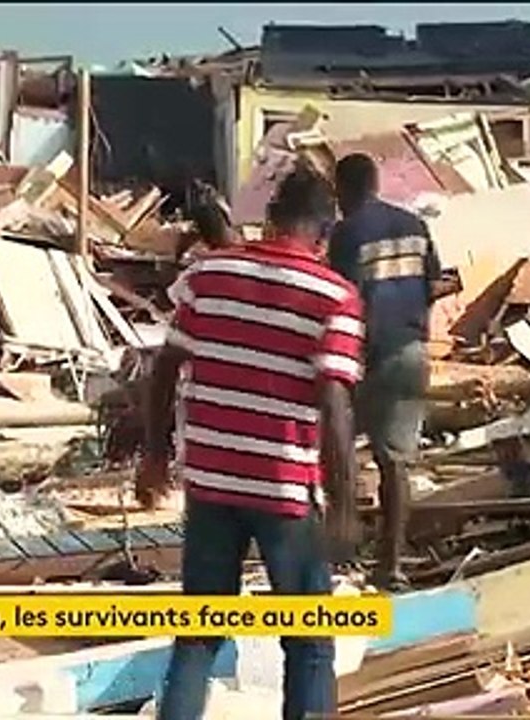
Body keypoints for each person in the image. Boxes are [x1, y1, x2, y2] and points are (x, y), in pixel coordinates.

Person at [137, 167, 364, 720]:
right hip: (284, 489)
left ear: (271, 218)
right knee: (308, 641)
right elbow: (334, 403)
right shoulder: (333, 294)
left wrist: (155, 455)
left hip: (211, 480)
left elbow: (165, 365)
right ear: (323, 233)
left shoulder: (209, 273)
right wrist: (345, 501)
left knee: (199, 636)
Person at [328, 153, 460, 591]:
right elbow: (435, 282)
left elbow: (338, 298)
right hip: (411, 351)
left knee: (340, 449)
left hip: (365, 355)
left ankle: (340, 553)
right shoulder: (414, 225)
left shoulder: (347, 233)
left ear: (343, 189)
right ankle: (392, 563)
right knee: (395, 463)